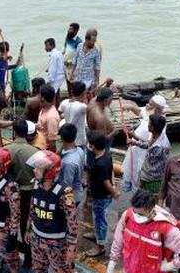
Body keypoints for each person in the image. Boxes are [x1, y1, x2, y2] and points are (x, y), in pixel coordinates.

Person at [25, 150, 78, 273]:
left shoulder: (64, 192)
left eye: (38, 168)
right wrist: (28, 230)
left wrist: (71, 247)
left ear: (49, 171)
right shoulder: (35, 185)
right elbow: (32, 210)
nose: (34, 171)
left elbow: (72, 222)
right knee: (38, 269)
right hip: (37, 238)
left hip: (56, 243)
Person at [5, 120, 39, 268]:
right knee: (27, 225)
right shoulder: (35, 152)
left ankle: (10, 254)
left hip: (11, 192)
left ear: (14, 132)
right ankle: (28, 259)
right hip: (29, 192)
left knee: (11, 222)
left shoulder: (7, 149)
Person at [122, 94, 168, 193]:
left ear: (156, 108)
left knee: (139, 177)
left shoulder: (159, 124)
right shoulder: (150, 114)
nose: (147, 105)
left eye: (150, 104)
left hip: (144, 157)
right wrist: (130, 106)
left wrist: (134, 138)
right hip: (135, 151)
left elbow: (150, 144)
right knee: (132, 171)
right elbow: (139, 111)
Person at [85, 130, 120, 258]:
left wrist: (114, 191)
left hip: (101, 196)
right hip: (100, 194)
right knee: (97, 218)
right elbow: (111, 172)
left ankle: (100, 246)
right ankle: (97, 235)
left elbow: (106, 182)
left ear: (93, 145)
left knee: (100, 220)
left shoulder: (100, 164)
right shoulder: (106, 154)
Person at [129, 114, 170, 193]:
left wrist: (135, 141)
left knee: (150, 199)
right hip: (146, 174)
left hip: (153, 179)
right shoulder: (156, 135)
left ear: (153, 128)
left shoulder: (160, 146)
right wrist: (135, 140)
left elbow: (149, 146)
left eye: (149, 124)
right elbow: (148, 144)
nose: (147, 125)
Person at [58, 124, 85, 205]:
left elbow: (67, 185)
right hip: (78, 190)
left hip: (71, 197)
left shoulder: (68, 162)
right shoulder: (80, 150)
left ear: (61, 138)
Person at [59, 81, 87, 148]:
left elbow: (60, 113)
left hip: (68, 136)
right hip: (79, 139)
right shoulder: (82, 106)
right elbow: (91, 109)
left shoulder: (64, 102)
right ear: (83, 92)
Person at [36, 84, 61, 151]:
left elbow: (52, 142)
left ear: (42, 98)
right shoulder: (44, 108)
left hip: (45, 149)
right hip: (39, 144)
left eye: (40, 95)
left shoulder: (51, 117)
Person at [63, 22, 82, 96]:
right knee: (68, 83)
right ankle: (70, 97)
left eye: (71, 29)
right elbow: (64, 50)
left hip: (73, 66)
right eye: (69, 28)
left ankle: (74, 98)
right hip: (65, 65)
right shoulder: (68, 38)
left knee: (73, 83)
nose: (68, 30)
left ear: (76, 31)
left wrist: (70, 61)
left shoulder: (79, 42)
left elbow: (79, 56)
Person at [44, 38, 65, 102]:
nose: (45, 48)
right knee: (57, 94)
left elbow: (52, 70)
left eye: (46, 46)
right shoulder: (59, 53)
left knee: (53, 97)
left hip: (56, 79)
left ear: (52, 46)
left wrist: (49, 81)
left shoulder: (53, 55)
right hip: (60, 77)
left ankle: (55, 108)